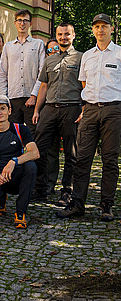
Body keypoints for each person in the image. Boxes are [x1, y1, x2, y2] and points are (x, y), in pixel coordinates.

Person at [57, 14, 121, 222]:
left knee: (109, 159)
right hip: (91, 110)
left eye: (104, 26)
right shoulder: (88, 55)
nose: (100, 30)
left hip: (113, 111)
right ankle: (77, 204)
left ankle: (106, 205)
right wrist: (88, 106)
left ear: (112, 29)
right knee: (82, 158)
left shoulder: (119, 54)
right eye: (97, 26)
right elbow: (84, 83)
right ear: (92, 30)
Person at [31, 24, 82, 205]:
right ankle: (40, 189)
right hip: (50, 109)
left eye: (67, 34)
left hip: (72, 109)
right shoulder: (49, 60)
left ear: (73, 35)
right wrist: (37, 110)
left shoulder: (81, 58)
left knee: (71, 153)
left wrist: (84, 109)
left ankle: (67, 191)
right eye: (60, 34)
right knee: (38, 149)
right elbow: (44, 86)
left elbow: (86, 85)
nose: (63, 37)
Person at [0, 95, 40, 229]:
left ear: (9, 111)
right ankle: (1, 201)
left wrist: (14, 161)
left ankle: (20, 212)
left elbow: (35, 153)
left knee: (31, 166)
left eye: (3, 108)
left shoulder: (20, 129)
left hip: (15, 177)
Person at [0, 9, 45, 136]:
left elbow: (42, 73)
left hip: (31, 98)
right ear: (15, 23)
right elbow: (2, 73)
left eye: (25, 20)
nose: (22, 23)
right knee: (12, 133)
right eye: (19, 20)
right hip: (13, 99)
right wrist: (4, 99)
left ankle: (33, 156)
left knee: (33, 133)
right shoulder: (8, 46)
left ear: (30, 23)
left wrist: (34, 95)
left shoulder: (38, 44)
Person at [42, 39, 61, 195]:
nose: (53, 51)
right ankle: (47, 184)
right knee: (49, 150)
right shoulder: (46, 64)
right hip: (47, 110)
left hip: (68, 110)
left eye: (56, 48)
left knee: (70, 151)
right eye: (50, 49)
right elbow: (42, 86)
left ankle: (67, 186)